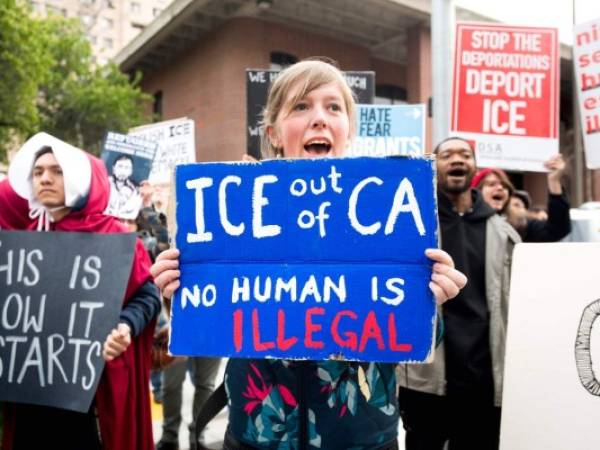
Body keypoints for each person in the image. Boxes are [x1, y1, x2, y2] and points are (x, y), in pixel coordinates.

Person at [151, 59, 467, 450]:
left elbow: (415, 342)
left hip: (361, 439)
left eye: (333, 107)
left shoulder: (386, 213)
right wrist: (179, 295)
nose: (319, 118)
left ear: (348, 130)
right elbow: (214, 327)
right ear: (274, 132)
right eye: (301, 106)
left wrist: (432, 302)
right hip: (258, 436)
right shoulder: (236, 214)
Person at [0, 132, 161, 450]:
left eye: (56, 170)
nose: (45, 178)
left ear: (76, 177)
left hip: (92, 398)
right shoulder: (26, 239)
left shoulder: (113, 236)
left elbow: (148, 296)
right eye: (38, 171)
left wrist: (126, 326)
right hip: (33, 394)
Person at [397, 136, 521, 450]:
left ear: (473, 166)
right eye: (447, 154)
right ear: (434, 166)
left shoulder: (503, 232)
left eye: (465, 154)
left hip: (484, 377)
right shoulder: (412, 224)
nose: (457, 159)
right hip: (427, 378)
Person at [505, 155, 571, 242]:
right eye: (515, 205)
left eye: (523, 206)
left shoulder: (529, 230)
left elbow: (558, 228)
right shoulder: (487, 225)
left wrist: (553, 181)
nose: (521, 210)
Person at [106, 153, 142, 219]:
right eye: (120, 166)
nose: (123, 171)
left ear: (131, 171)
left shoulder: (135, 191)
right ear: (113, 169)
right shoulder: (103, 183)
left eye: (127, 168)